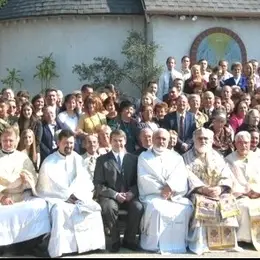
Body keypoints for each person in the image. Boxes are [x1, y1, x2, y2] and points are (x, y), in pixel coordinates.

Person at [36, 129, 105, 258]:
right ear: (58, 143)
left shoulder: (78, 158)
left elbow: (85, 181)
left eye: (72, 143)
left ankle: (91, 245)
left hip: (79, 197)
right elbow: (46, 188)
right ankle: (61, 249)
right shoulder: (49, 162)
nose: (69, 146)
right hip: (57, 199)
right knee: (60, 211)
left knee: (94, 208)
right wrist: (67, 196)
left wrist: (77, 196)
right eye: (66, 143)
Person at [183, 127, 240, 255]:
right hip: (198, 192)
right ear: (194, 140)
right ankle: (201, 243)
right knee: (202, 204)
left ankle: (227, 243)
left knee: (228, 200)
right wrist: (203, 189)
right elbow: (187, 176)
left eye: (206, 138)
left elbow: (226, 174)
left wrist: (220, 188)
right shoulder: (186, 157)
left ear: (211, 140)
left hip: (218, 191)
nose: (203, 141)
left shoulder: (217, 156)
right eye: (200, 138)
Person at [137, 128, 193, 253]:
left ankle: (178, 243)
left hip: (174, 195)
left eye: (164, 139)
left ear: (168, 141)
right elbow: (144, 178)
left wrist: (170, 187)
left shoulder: (176, 157)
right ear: (153, 139)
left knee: (186, 208)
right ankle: (155, 244)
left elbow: (181, 175)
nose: (161, 141)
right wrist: (163, 190)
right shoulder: (144, 156)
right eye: (158, 138)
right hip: (153, 195)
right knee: (157, 209)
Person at [0, 127, 50, 256]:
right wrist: (2, 197)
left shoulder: (22, 157)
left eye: (11, 140)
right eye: (5, 140)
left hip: (21, 195)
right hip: (2, 197)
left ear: (16, 141)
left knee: (40, 205)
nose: (8, 143)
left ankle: (30, 244)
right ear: (0, 140)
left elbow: (33, 177)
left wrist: (27, 180)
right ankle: (4, 247)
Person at [93, 129, 144, 252]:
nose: (118, 143)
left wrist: (132, 192)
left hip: (129, 196)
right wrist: (115, 195)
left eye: (120, 140)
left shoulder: (133, 159)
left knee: (138, 207)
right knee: (109, 207)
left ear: (125, 141)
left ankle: (129, 240)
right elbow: (98, 184)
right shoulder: (102, 160)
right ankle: (115, 240)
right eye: (115, 141)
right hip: (110, 196)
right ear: (110, 142)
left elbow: (140, 181)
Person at [226, 131, 260, 251]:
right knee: (245, 207)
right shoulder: (229, 160)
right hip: (240, 195)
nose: (243, 145)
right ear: (235, 144)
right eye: (240, 142)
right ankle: (245, 239)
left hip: (258, 193)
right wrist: (246, 192)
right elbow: (229, 181)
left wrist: (257, 191)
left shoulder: (257, 157)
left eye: (246, 142)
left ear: (250, 143)